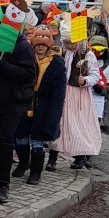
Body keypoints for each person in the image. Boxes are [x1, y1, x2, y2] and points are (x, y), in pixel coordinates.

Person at [0, 17, 38, 205]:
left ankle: (3, 184)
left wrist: (6, 67)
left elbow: (29, 75)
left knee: (5, 140)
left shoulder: (23, 46)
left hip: (15, 101)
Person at [13, 25, 66, 186]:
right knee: (20, 138)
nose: (41, 47)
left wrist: (53, 115)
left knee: (37, 141)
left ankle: (36, 171)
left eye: (44, 44)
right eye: (38, 44)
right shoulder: (26, 58)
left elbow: (58, 93)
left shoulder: (56, 63)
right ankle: (24, 163)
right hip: (25, 101)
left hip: (43, 105)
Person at [54, 18, 102, 171]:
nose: (69, 45)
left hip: (78, 95)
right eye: (66, 42)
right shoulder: (60, 52)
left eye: (72, 42)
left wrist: (85, 80)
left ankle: (80, 155)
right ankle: (53, 157)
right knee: (58, 122)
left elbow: (96, 75)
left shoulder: (87, 54)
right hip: (61, 92)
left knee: (77, 124)